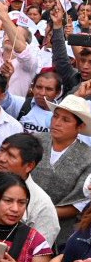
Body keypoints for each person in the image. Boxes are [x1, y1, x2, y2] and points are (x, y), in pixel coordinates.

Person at [30, 93, 91, 245]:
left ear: (80, 126)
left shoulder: (88, 157)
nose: (57, 123)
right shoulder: (35, 141)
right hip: (16, 215)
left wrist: (36, 213)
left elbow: (78, 204)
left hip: (58, 232)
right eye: (55, 116)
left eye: (65, 120)